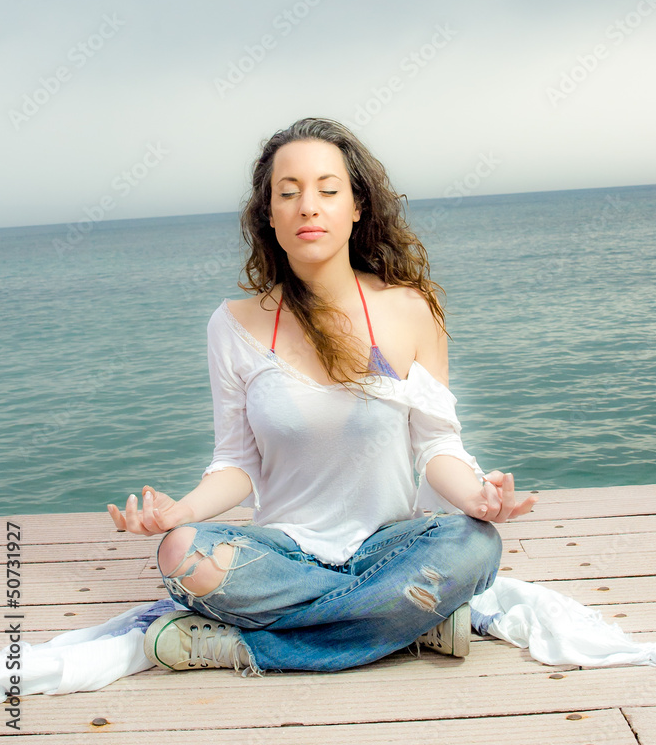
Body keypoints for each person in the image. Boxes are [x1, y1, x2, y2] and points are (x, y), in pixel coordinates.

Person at [107, 117, 538, 677]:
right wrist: (176, 512)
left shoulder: (411, 309)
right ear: (270, 214)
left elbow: (436, 445)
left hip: (390, 543)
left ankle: (251, 646)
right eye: (288, 193)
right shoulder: (233, 325)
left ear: (357, 206)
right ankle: (407, 621)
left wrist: (480, 497)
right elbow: (237, 463)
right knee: (180, 555)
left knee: (474, 543)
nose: (308, 206)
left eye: (328, 190)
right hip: (285, 551)